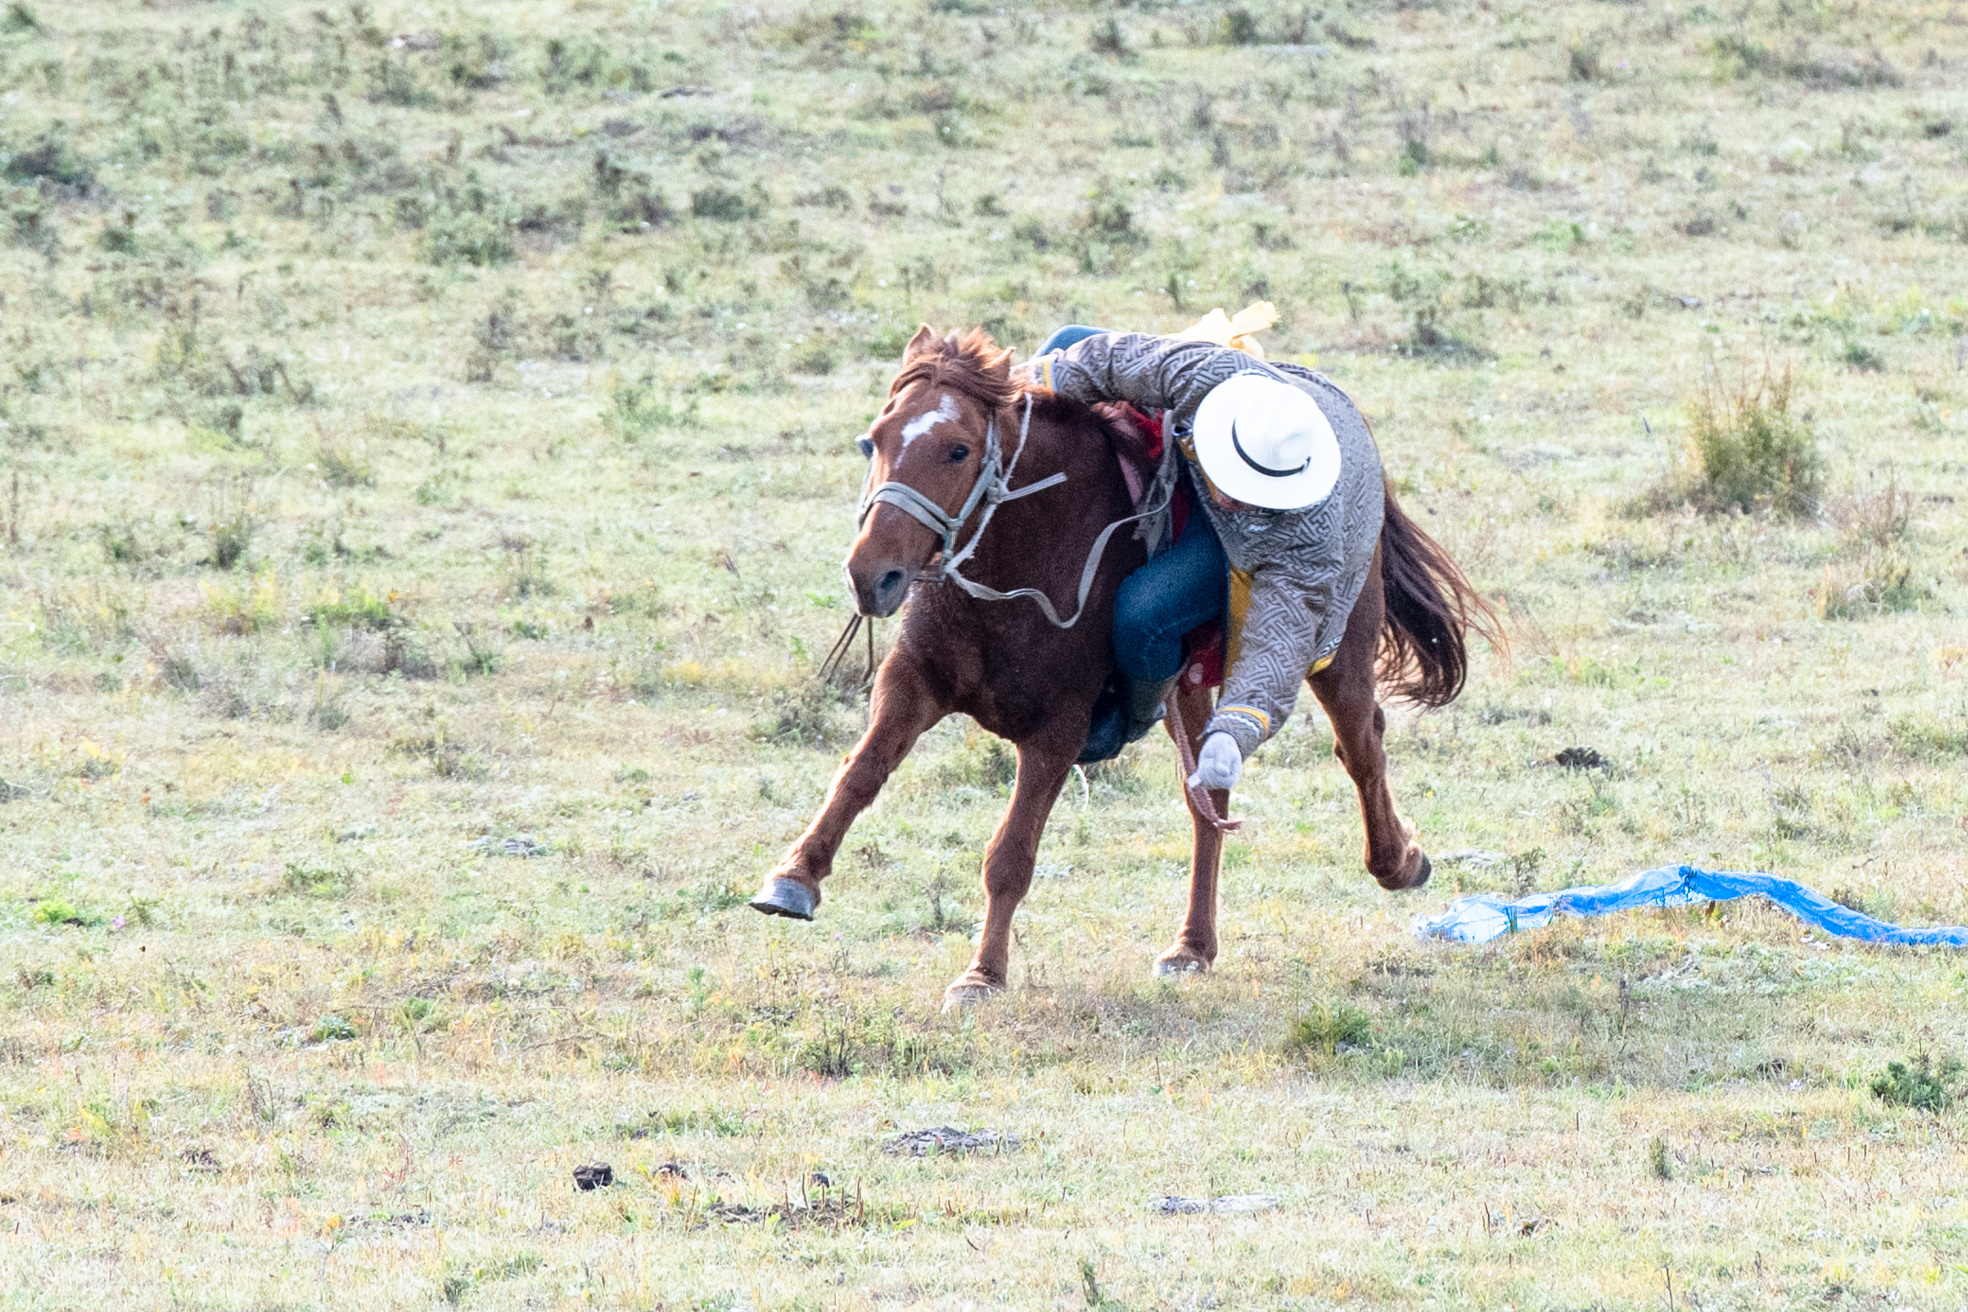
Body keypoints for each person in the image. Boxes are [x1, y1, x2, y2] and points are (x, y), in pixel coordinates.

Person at [1020, 325, 1384, 793]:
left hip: (1248, 539)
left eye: (1251, 490)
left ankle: (1127, 718)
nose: (1233, 499)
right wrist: (1022, 382)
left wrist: (1232, 733)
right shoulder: (1212, 377)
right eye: (1236, 476)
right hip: (1194, 458)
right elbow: (1113, 360)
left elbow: (1280, 637)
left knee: (1144, 613)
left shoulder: (1306, 538)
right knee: (1065, 338)